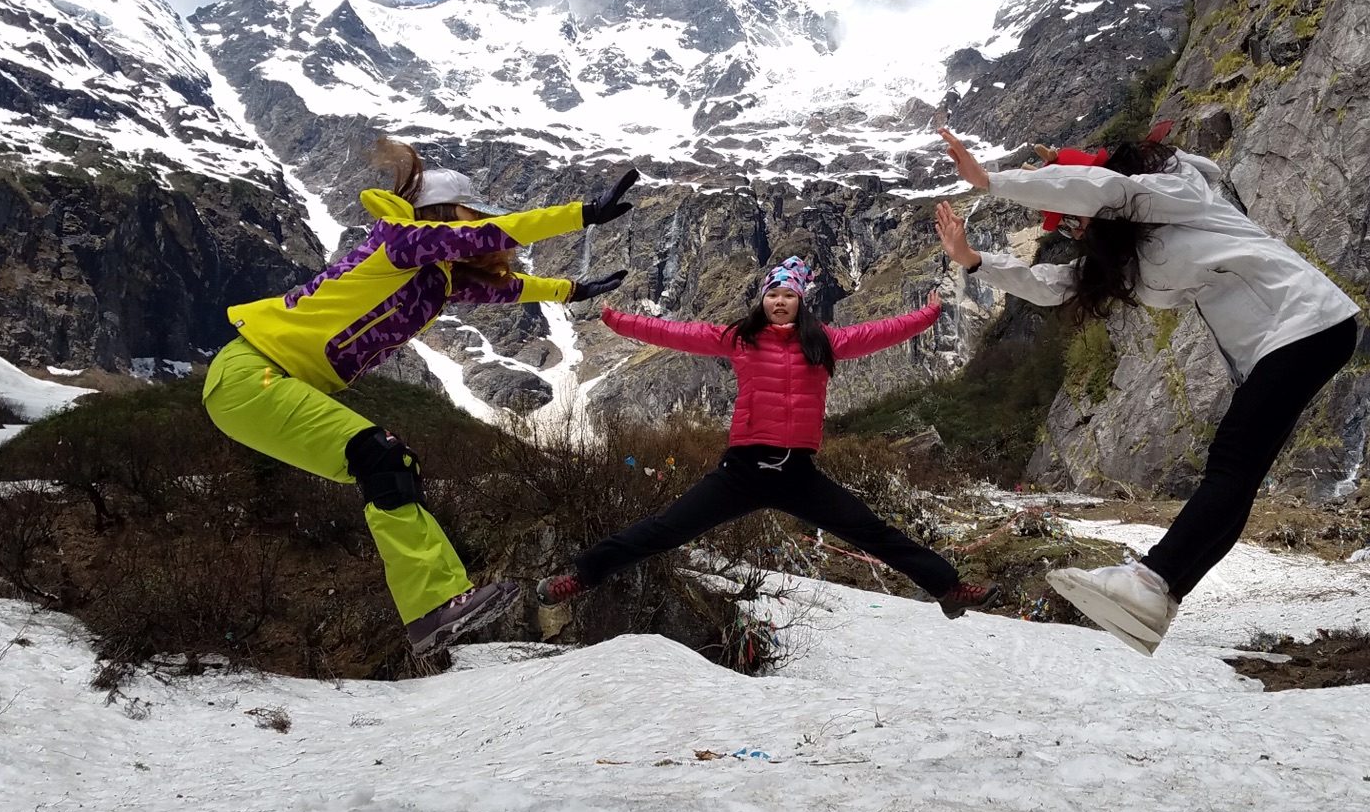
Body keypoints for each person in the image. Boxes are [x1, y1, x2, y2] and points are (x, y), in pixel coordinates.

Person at [933, 126, 1359, 654]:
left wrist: (990, 181)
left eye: (1072, 213)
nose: (1075, 227)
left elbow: (1101, 188)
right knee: (1237, 477)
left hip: (1304, 318)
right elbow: (1051, 285)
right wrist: (976, 262)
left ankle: (1152, 582)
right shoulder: (1127, 260)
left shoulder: (1175, 193)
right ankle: (1161, 594)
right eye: (1065, 224)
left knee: (1230, 462)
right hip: (1285, 338)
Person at [202, 138, 637, 654]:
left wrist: (570, 291)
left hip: (273, 384)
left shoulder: (434, 279)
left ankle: (437, 606)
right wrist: (583, 214)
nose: (472, 228)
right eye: (465, 215)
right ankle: (433, 606)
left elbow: (506, 289)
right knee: (379, 456)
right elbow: (490, 234)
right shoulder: (398, 243)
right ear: (444, 214)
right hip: (251, 374)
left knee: (390, 464)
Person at [535, 256, 999, 617]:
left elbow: (881, 331)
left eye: (788, 296)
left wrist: (929, 313)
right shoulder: (740, 338)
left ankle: (948, 588)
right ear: (762, 301)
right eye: (772, 295)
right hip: (742, 471)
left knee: (871, 531)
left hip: (798, 473)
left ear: (801, 302)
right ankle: (581, 576)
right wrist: (619, 321)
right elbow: (676, 333)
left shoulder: (825, 343)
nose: (779, 302)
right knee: (666, 529)